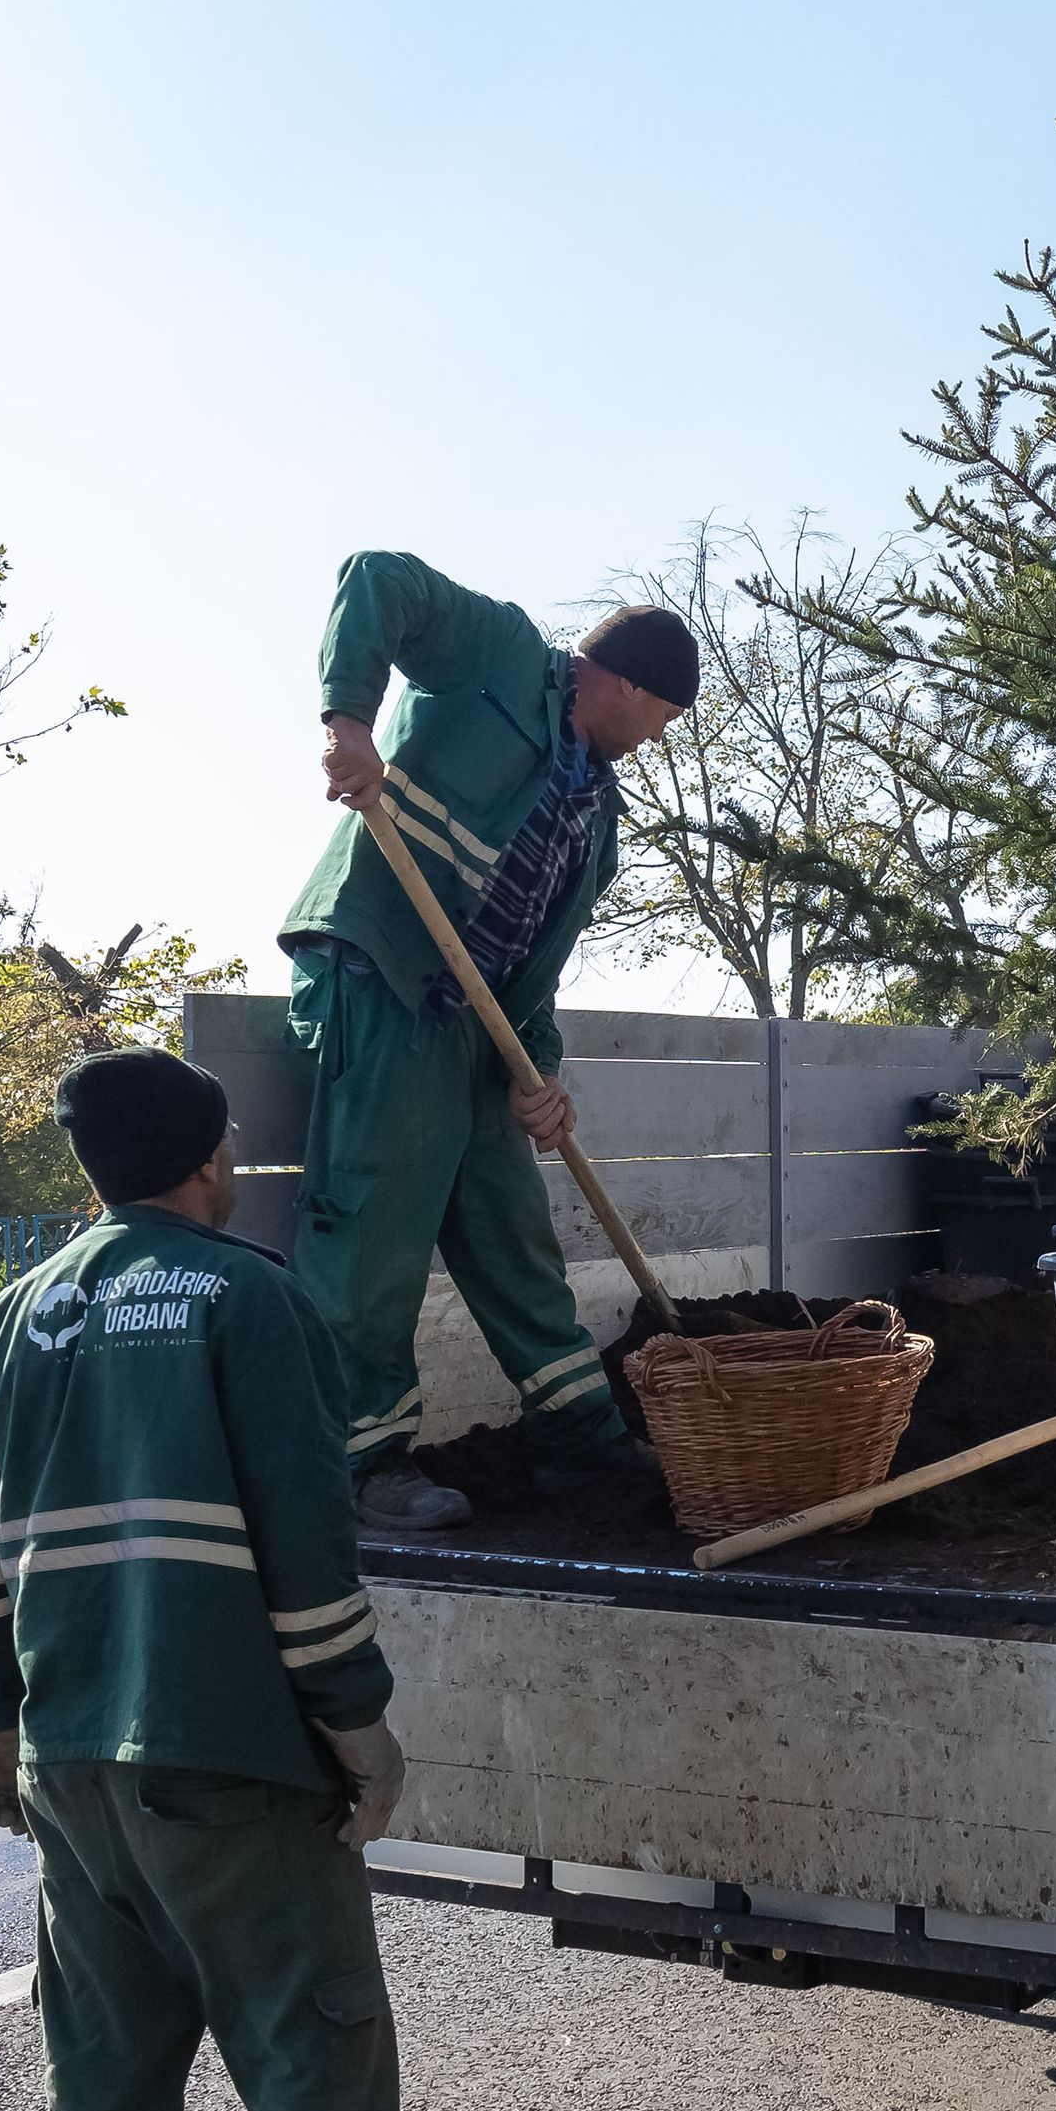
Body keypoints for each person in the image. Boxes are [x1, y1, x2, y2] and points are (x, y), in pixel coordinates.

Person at [0, 1045, 406, 2111]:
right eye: (232, 1143)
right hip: (230, 1761)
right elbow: (307, 1550)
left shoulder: (10, 1320)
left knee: (102, 2087)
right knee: (319, 2075)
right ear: (209, 1159)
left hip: (72, 1776)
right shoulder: (252, 1298)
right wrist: (359, 1725)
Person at [278, 550, 697, 1532]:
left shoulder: (597, 822)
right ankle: (360, 1466)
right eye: (664, 718)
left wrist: (539, 1080)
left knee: (511, 1231)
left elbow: (533, 979)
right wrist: (349, 724)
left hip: (475, 1021)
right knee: (376, 1229)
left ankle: (580, 1445)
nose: (657, 738)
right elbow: (378, 578)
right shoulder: (500, 658)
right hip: (381, 973)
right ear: (627, 686)